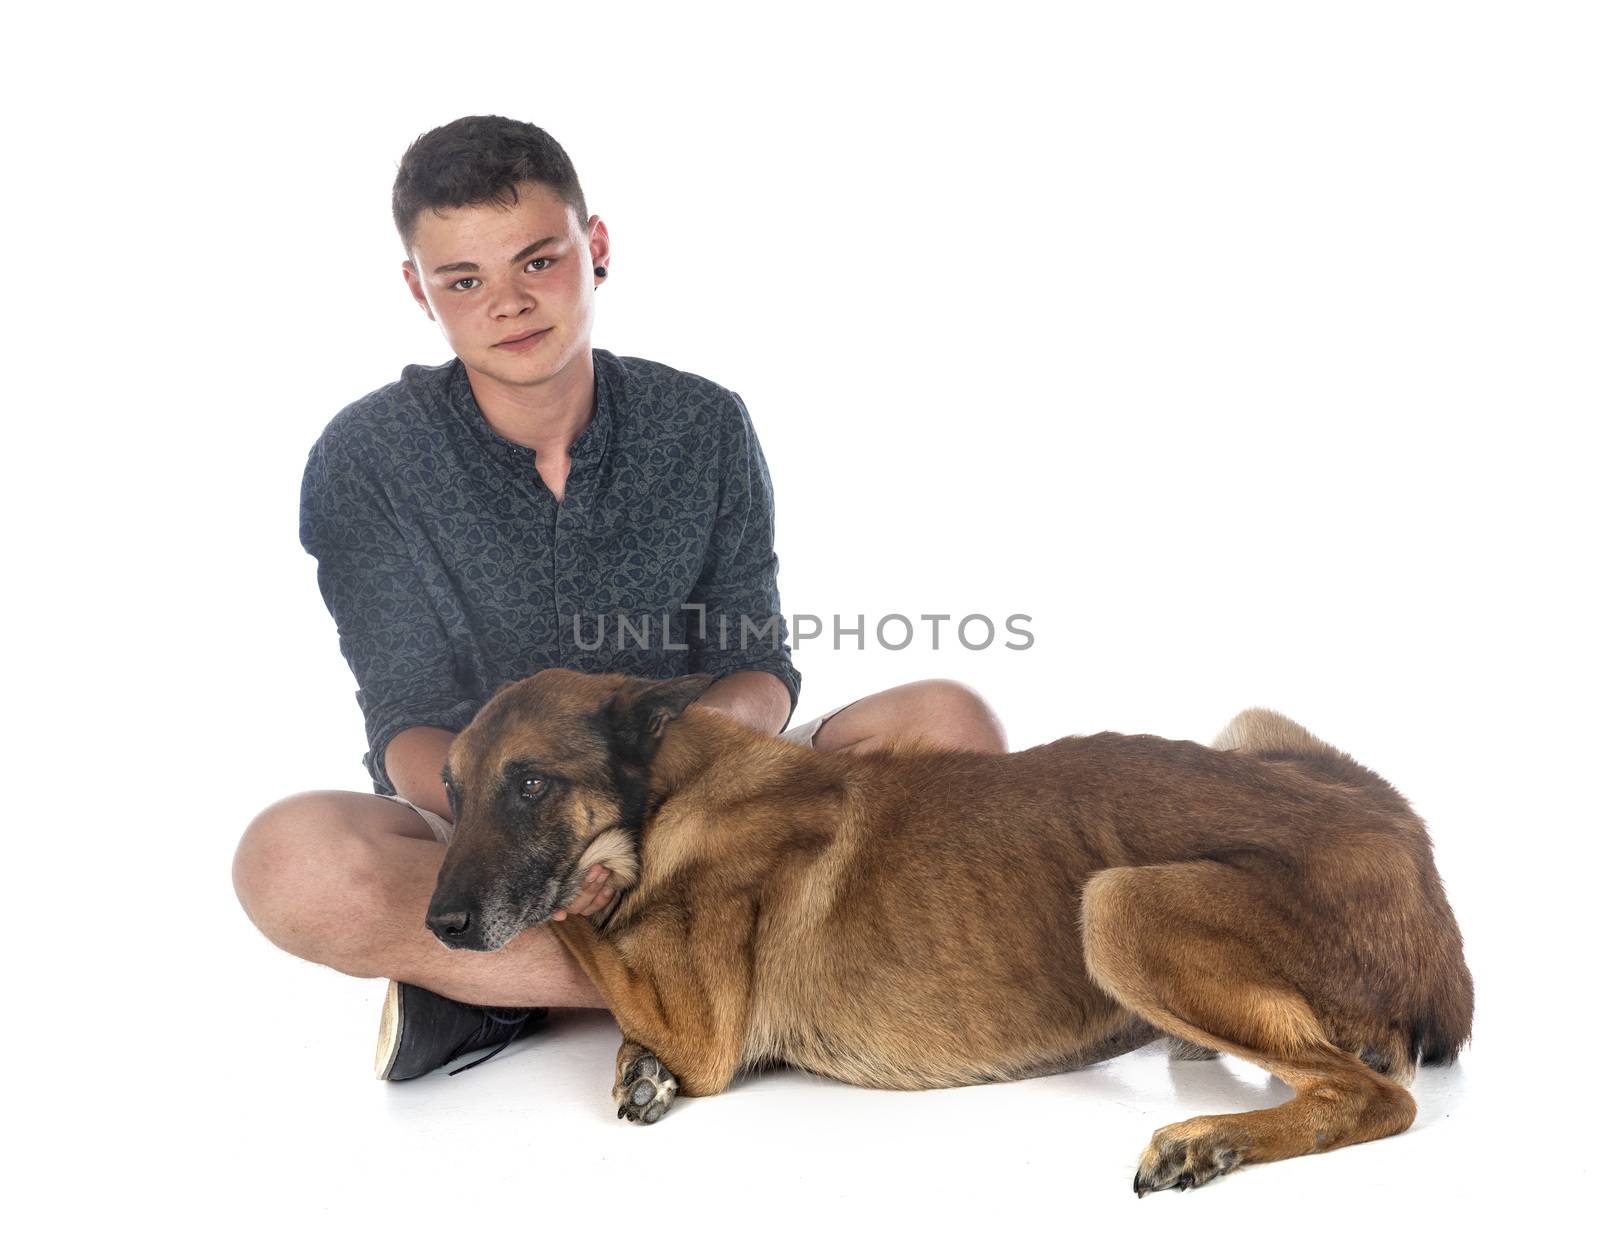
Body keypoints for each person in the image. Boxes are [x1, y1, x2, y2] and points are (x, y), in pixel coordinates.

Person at [232, 115, 1008, 1081]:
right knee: (289, 861)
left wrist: (647, 808)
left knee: (950, 724)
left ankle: (498, 990)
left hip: (697, 799)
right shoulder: (366, 459)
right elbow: (405, 726)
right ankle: (756, 985)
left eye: (537, 262)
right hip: (495, 823)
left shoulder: (703, 423)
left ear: (594, 250)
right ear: (418, 292)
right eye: (463, 281)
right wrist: (540, 833)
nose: (509, 304)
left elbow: (757, 664)